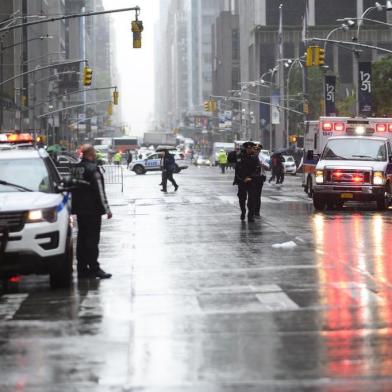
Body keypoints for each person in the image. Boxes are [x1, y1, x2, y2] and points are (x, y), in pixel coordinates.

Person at [71, 144, 112, 279]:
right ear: (90, 154)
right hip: (92, 211)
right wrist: (107, 209)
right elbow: (99, 191)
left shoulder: (75, 168)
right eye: (94, 152)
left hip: (80, 211)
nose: (95, 154)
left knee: (82, 240)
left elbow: (72, 187)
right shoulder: (93, 169)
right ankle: (94, 268)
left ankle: (82, 269)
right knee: (92, 240)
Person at [232, 141, 260, 222]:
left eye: (251, 148)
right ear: (245, 148)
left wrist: (251, 177)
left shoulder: (254, 157)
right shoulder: (240, 156)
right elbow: (237, 169)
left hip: (251, 181)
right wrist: (242, 179)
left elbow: (257, 170)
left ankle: (250, 215)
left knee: (251, 199)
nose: (249, 149)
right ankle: (243, 211)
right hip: (241, 181)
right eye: (248, 148)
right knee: (241, 198)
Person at [253, 143, 268, 218]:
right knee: (252, 195)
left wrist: (263, 165)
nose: (256, 151)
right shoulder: (250, 156)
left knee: (258, 195)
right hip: (252, 178)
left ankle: (257, 212)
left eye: (258, 150)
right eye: (255, 149)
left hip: (259, 177)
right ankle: (251, 211)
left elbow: (268, 167)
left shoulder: (262, 157)